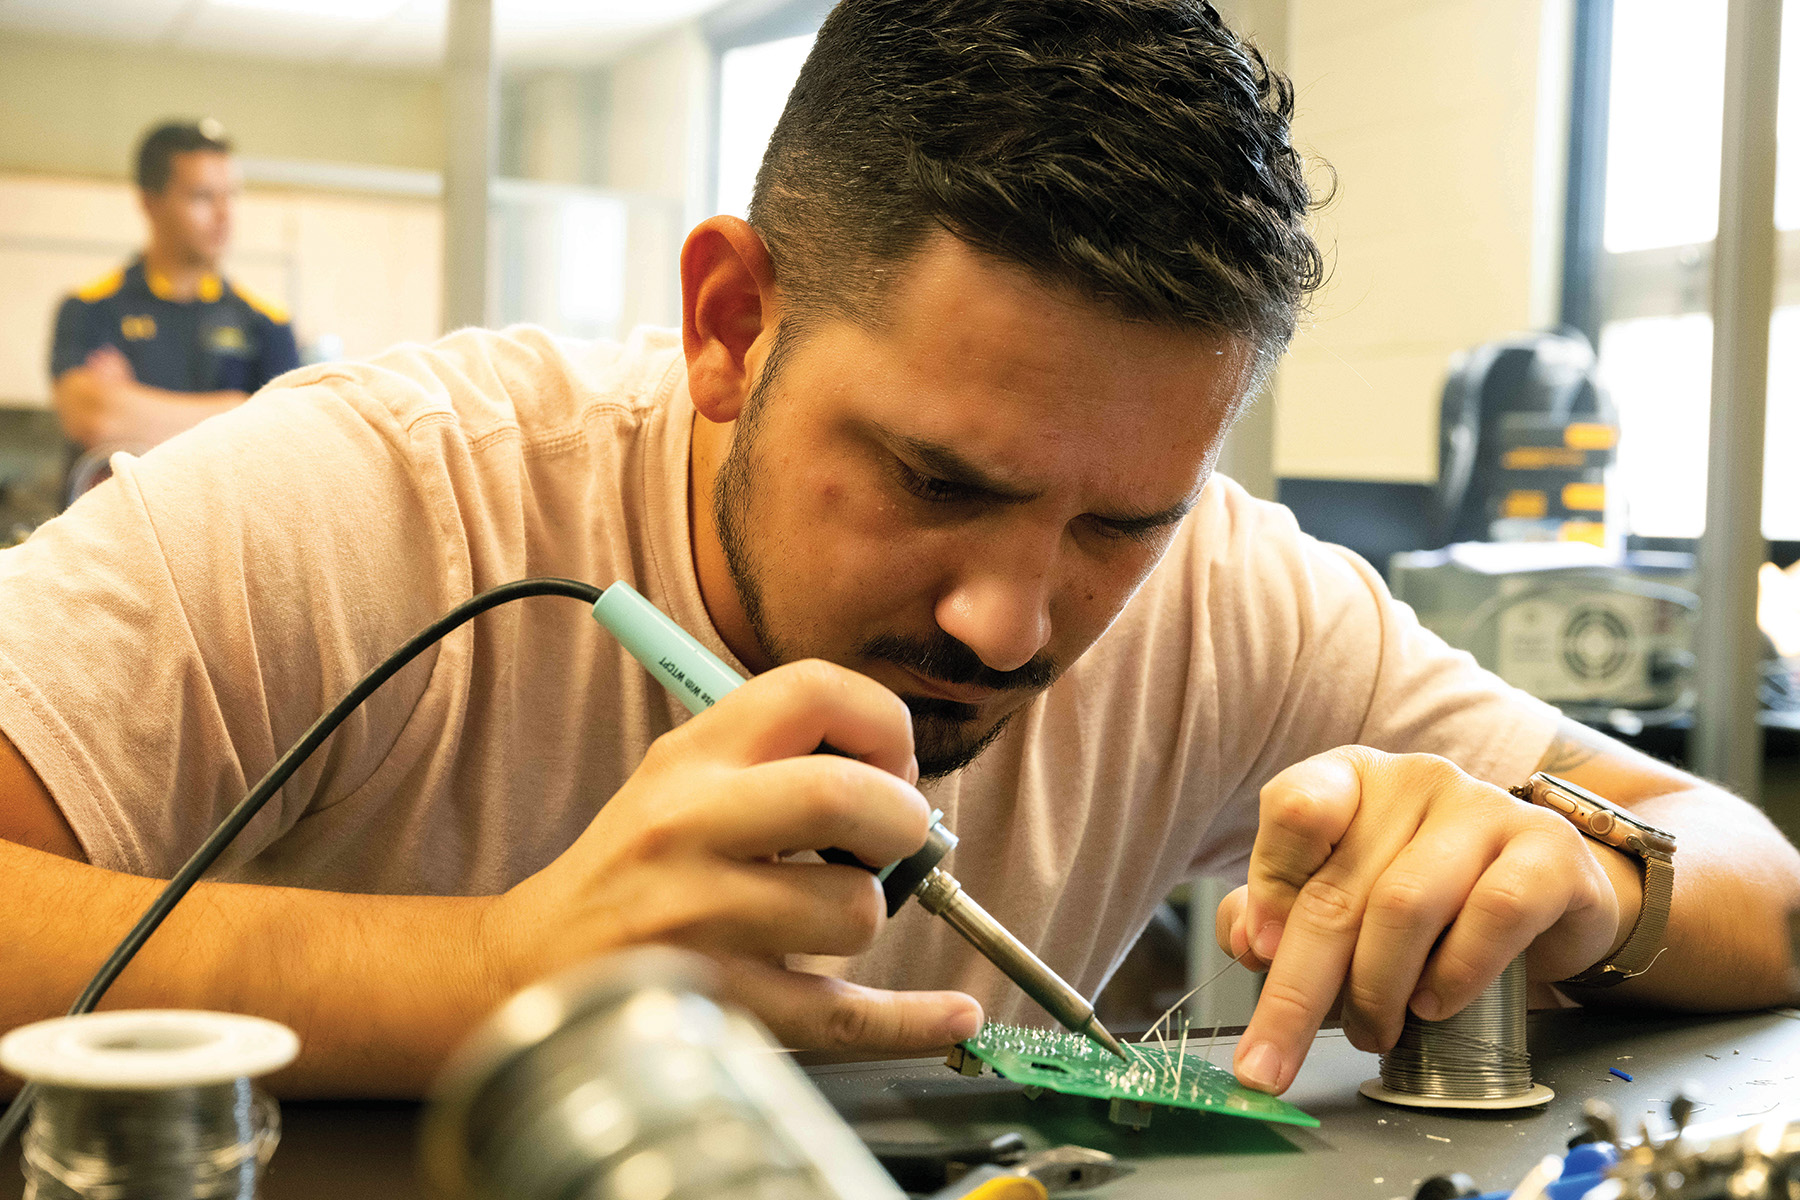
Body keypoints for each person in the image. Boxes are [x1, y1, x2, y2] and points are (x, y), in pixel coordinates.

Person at [1, 0, 1796, 1102]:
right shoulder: (373, 500)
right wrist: (497, 974)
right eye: (938, 481)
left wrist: (1585, 879)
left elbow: (1760, 881)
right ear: (730, 322)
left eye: (1117, 523)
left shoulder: (1238, 596)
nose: (1010, 622)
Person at [48, 119, 299, 482]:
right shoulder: (90, 307)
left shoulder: (266, 322)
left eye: (229, 196)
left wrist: (130, 403)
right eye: (202, 197)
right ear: (150, 203)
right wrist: (238, 409)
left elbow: (282, 441)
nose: (223, 214)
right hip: (120, 528)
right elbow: (94, 419)